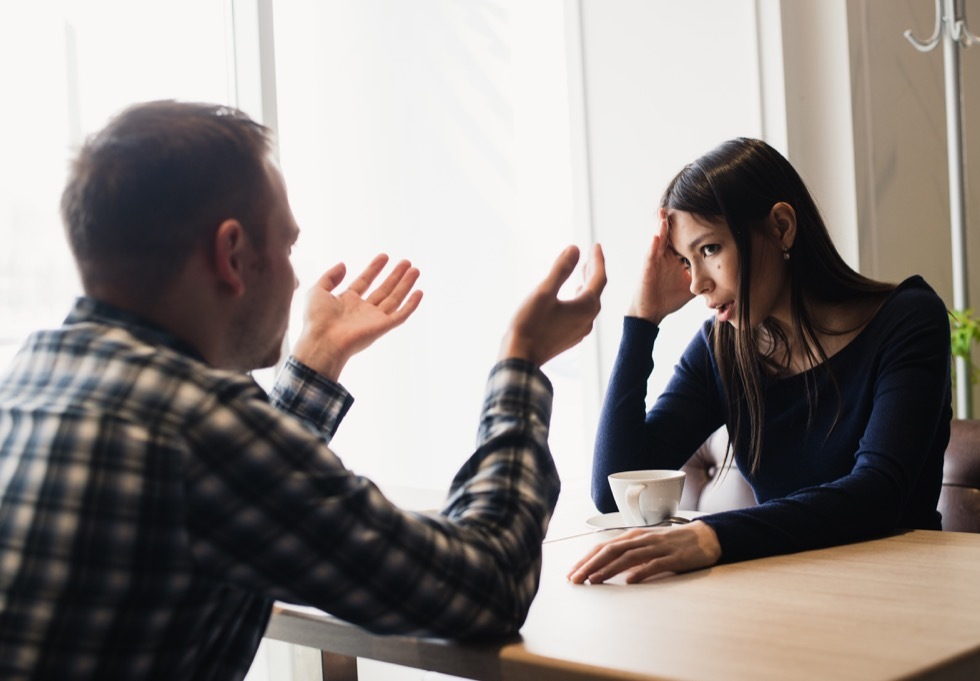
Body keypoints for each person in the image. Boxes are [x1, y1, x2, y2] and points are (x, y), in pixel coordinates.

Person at [0, 100, 606, 680]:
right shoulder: (196, 429)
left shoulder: (31, 382)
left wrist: (316, 358)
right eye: (288, 246)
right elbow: (487, 584)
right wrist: (522, 361)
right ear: (231, 253)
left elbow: (230, 487)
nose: (296, 277)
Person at [569, 137, 951, 585]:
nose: (696, 286)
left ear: (782, 227)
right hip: (783, 592)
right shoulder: (721, 346)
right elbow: (615, 489)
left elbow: (877, 494)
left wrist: (713, 536)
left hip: (906, 592)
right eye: (685, 262)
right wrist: (641, 321)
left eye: (709, 250)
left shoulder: (908, 320)